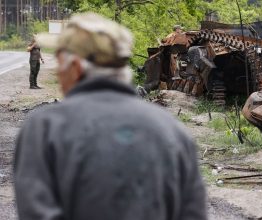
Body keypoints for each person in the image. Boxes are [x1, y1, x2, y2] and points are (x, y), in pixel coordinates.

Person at [14, 13, 207, 220]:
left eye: (60, 64)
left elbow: (37, 212)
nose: (58, 73)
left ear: (76, 68)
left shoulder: (46, 128)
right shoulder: (172, 130)